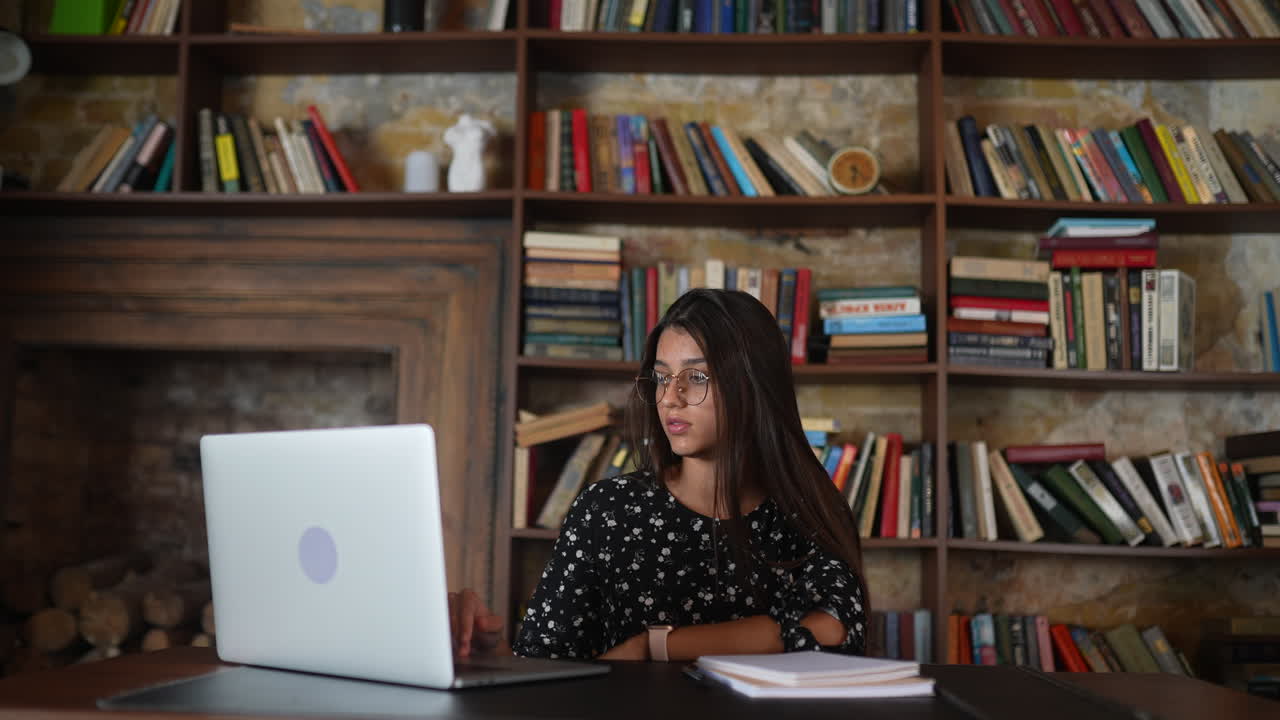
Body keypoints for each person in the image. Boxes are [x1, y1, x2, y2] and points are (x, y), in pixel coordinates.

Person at [450, 289, 868, 661]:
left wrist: (652, 645)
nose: (670, 398)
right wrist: (486, 649)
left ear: (754, 385)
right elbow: (544, 664)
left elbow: (833, 630)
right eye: (663, 377)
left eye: (697, 377)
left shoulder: (808, 512)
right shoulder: (607, 510)